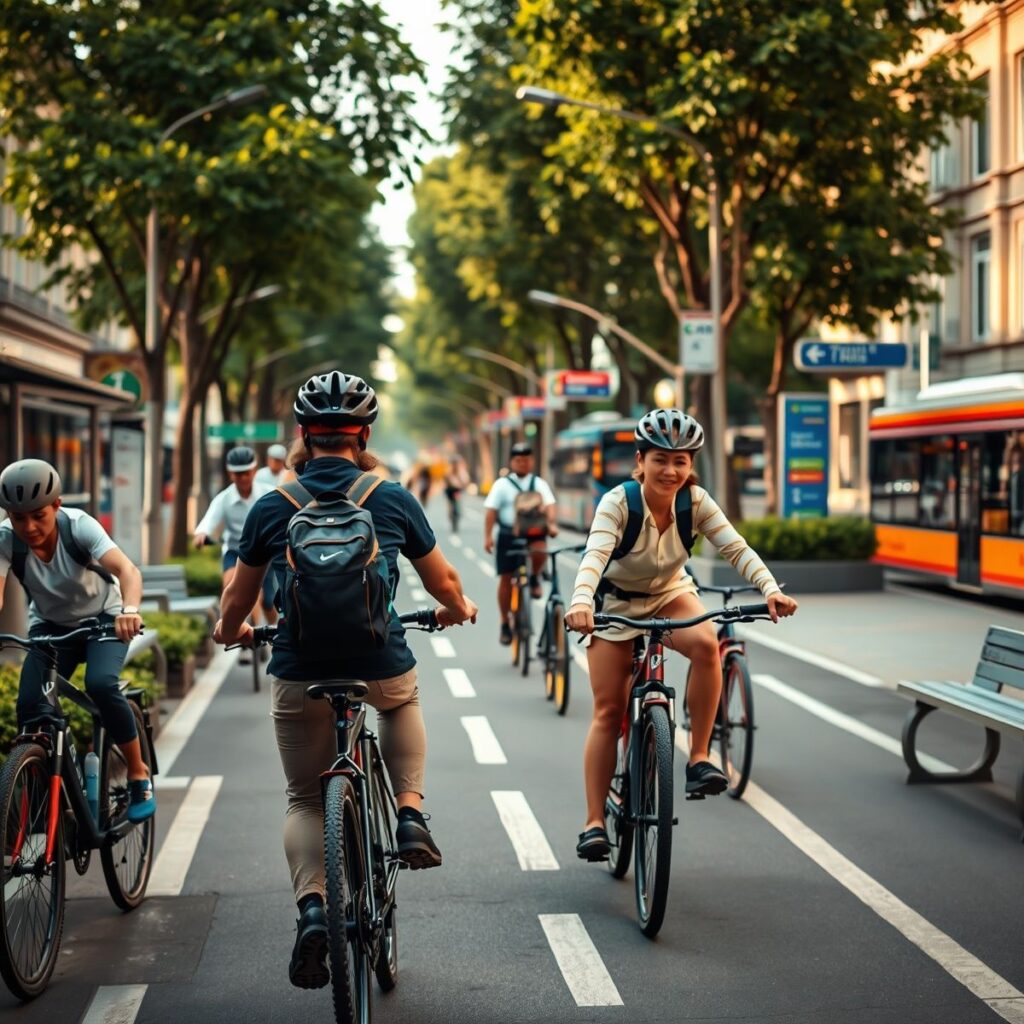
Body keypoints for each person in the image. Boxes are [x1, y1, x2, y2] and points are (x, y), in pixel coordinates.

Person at [213, 370, 477, 990]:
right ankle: (409, 813)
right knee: (401, 700)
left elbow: (239, 596)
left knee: (306, 799)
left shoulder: (273, 504)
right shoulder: (389, 496)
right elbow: (443, 583)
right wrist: (457, 610)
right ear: (363, 434)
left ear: (303, 436)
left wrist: (230, 630)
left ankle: (312, 911)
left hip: (299, 671)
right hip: (377, 662)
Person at [565, 409, 798, 861]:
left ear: (691, 465)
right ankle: (594, 822)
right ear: (640, 460)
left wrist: (770, 589)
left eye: (681, 461)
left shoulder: (696, 502)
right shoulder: (618, 502)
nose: (671, 471)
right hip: (614, 604)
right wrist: (580, 602)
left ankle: (699, 758)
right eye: (660, 460)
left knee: (707, 644)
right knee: (608, 713)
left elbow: (735, 547)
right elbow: (594, 555)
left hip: (671, 593)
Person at [0, 459, 155, 821]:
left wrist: (129, 610)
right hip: (51, 627)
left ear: (56, 505)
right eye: (18, 517)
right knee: (29, 709)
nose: (29, 526)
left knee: (100, 684)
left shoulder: (79, 527)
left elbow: (127, 570)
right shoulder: (6, 540)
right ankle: (48, 782)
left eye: (38, 514)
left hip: (104, 620)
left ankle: (137, 774)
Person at [194, 446, 274, 662]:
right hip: (236, 551)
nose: (243, 478)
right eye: (238, 474)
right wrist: (201, 534)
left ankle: (273, 635)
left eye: (246, 472)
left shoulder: (268, 494)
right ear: (231, 474)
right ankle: (245, 635)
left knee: (271, 603)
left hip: (267, 551)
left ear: (255, 470)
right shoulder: (224, 499)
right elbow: (208, 522)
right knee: (233, 585)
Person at [483, 441, 557, 644]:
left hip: (534, 532)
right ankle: (505, 622)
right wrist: (488, 536)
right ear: (512, 462)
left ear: (532, 461)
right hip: (508, 535)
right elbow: (491, 512)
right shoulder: (501, 485)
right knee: (506, 578)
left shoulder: (539, 484)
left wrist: (551, 524)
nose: (522, 463)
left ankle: (534, 578)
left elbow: (550, 505)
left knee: (541, 550)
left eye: (526, 460)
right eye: (518, 460)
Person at [443, 454, 470, 532]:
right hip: (449, 490)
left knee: (457, 503)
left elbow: (465, 480)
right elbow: (446, 480)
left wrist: (463, 485)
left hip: (457, 490)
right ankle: (451, 515)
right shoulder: (448, 471)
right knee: (450, 504)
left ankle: (457, 512)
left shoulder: (461, 471)